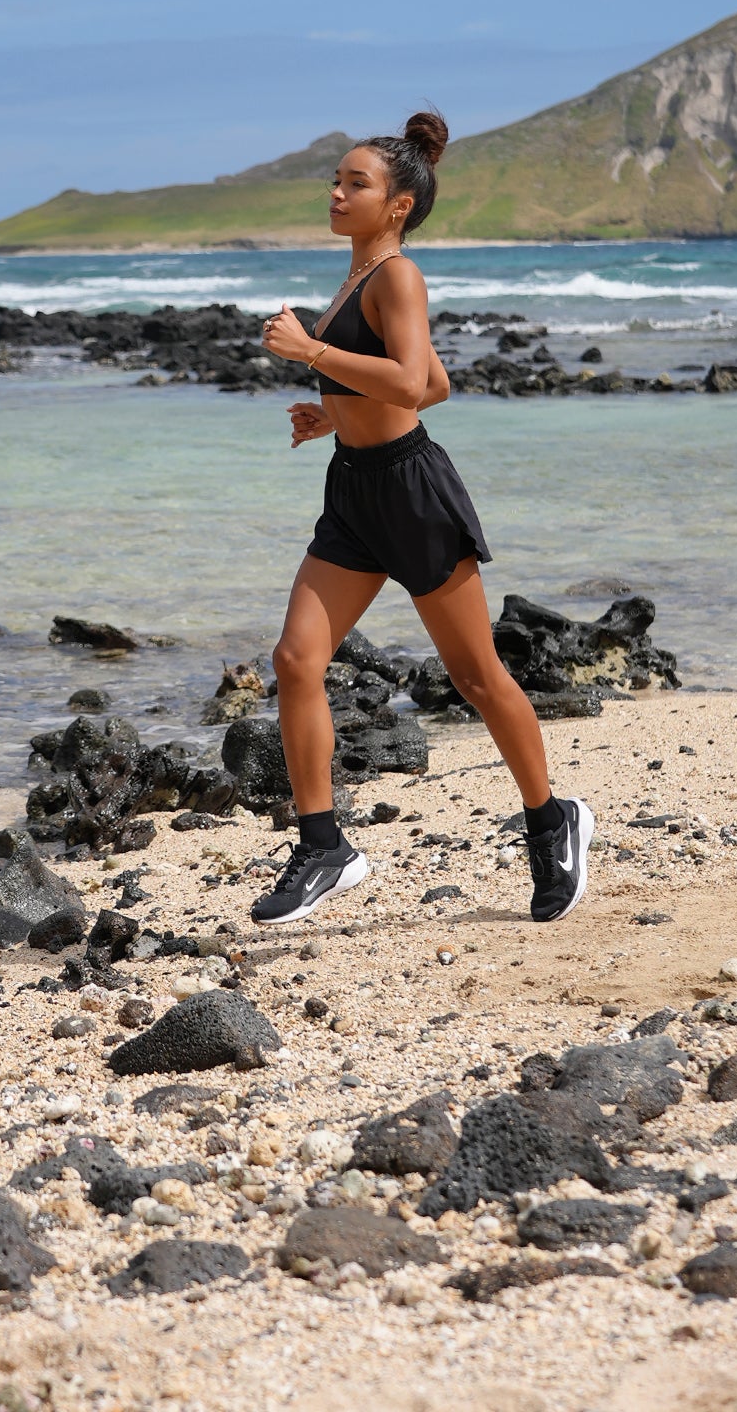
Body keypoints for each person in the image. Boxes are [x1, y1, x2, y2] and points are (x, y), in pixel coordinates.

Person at [251, 111, 593, 927]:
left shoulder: (398, 276)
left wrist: (311, 354)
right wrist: (333, 415)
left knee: (478, 678)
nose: (336, 192)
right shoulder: (355, 277)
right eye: (335, 180)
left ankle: (552, 822)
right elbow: (430, 382)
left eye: (355, 184)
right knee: (297, 660)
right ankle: (323, 843)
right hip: (355, 489)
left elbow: (409, 385)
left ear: (398, 205)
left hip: (412, 494)